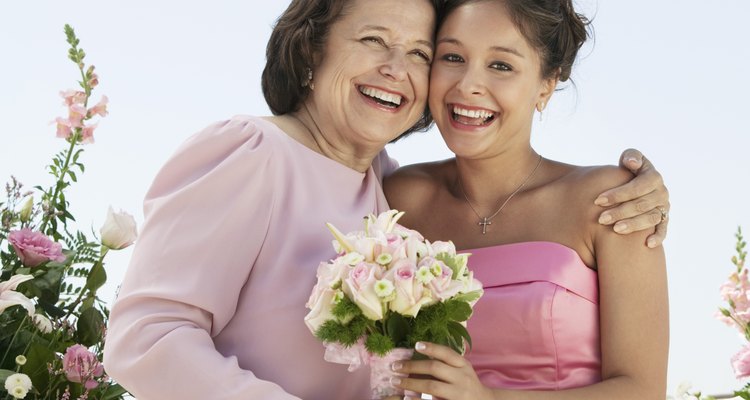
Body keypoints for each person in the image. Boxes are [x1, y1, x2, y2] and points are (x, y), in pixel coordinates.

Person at [102, 0, 669, 399]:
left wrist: (648, 185)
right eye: (374, 39)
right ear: (310, 50)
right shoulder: (253, 152)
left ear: (547, 83)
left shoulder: (383, 184)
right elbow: (146, 337)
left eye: (420, 52)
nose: (397, 70)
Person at [386, 1, 668, 399]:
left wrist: (488, 398)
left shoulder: (611, 200)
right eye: (452, 57)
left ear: (546, 84)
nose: (468, 84)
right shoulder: (401, 197)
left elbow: (642, 390)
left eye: (501, 65)